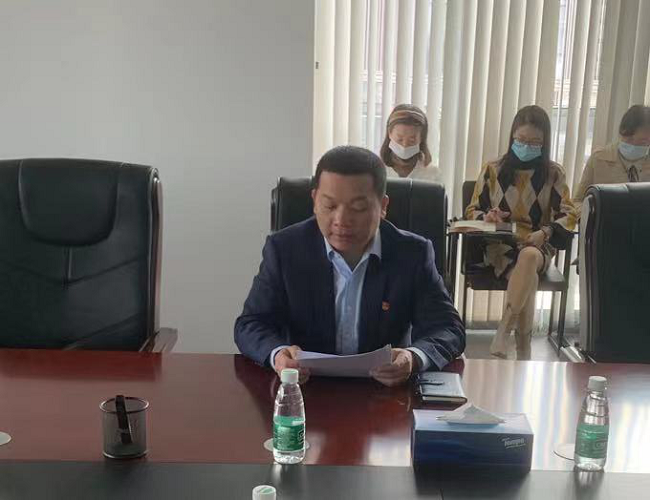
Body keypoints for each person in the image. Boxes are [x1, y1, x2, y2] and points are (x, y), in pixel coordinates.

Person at [235, 146, 465, 386]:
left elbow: (448, 328)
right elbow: (251, 324)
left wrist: (413, 357)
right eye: (330, 206)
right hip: (306, 389)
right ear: (314, 201)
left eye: (358, 208)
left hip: (385, 390)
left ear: (383, 206)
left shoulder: (412, 253)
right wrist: (278, 355)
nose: (342, 220)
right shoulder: (285, 249)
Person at [465, 105, 578, 360]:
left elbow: (570, 214)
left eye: (534, 142)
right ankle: (524, 350)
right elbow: (472, 210)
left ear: (544, 142)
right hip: (500, 244)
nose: (526, 146)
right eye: (521, 140)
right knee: (530, 280)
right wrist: (487, 217)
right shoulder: (492, 169)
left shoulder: (554, 173)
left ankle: (504, 329)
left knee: (528, 256)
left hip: (537, 244)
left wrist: (545, 232)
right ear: (512, 137)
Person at [574, 104, 650, 214]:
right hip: (604, 223)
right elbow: (577, 201)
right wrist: (591, 216)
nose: (633, 143)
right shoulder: (599, 159)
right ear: (622, 132)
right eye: (628, 138)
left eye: (643, 142)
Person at [380, 104, 441, 182]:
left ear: (421, 138)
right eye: (400, 139)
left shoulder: (432, 174)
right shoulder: (377, 170)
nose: (405, 145)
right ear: (389, 134)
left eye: (412, 140)